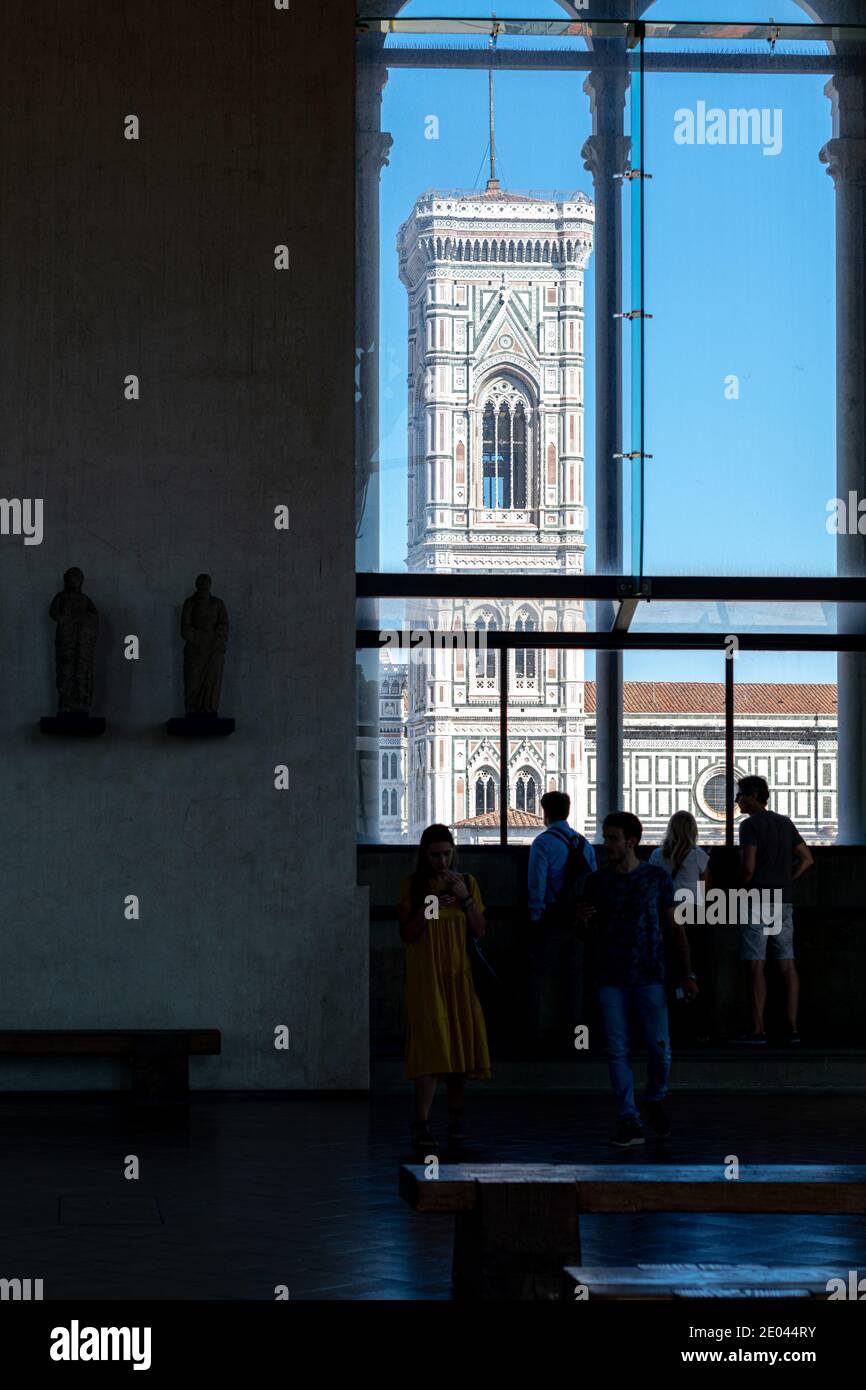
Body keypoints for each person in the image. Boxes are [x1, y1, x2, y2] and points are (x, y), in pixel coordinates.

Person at [580, 811, 698, 1147]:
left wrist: (686, 973)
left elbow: (675, 928)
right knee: (618, 1049)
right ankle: (628, 1117)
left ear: (631, 841)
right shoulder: (596, 881)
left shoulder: (656, 879)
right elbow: (583, 932)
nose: (607, 844)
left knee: (660, 1049)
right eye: (606, 837)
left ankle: (654, 1097)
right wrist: (581, 920)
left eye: (613, 837)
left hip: (650, 974)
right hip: (610, 977)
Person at [396, 824, 490, 1153]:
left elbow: (479, 931)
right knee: (432, 1045)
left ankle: (455, 1116)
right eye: (435, 855)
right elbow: (408, 933)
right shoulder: (412, 887)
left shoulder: (469, 884)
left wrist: (464, 898)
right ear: (424, 855)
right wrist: (431, 903)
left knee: (460, 1046)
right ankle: (421, 1121)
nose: (442, 861)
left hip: (459, 975)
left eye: (447, 854)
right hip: (427, 977)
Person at [735, 775, 814, 1046]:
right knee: (786, 963)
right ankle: (792, 1029)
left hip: (756, 900)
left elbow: (747, 868)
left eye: (740, 795)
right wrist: (786, 879)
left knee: (755, 965)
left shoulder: (749, 826)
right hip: (783, 901)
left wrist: (738, 889)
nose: (737, 800)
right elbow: (806, 859)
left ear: (754, 796)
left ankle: (758, 1030)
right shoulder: (785, 823)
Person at [527, 790, 597, 1052]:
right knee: (575, 983)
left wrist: (536, 919)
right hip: (579, 923)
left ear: (545, 812)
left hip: (552, 921)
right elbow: (593, 884)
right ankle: (577, 1041)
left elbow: (537, 885)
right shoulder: (584, 844)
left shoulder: (543, 843)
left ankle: (534, 1035)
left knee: (538, 979)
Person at [650, 810, 708, 896]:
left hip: (666, 905)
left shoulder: (656, 855)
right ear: (693, 830)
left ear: (670, 829)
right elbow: (704, 886)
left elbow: (652, 882)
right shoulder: (699, 855)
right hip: (691, 906)